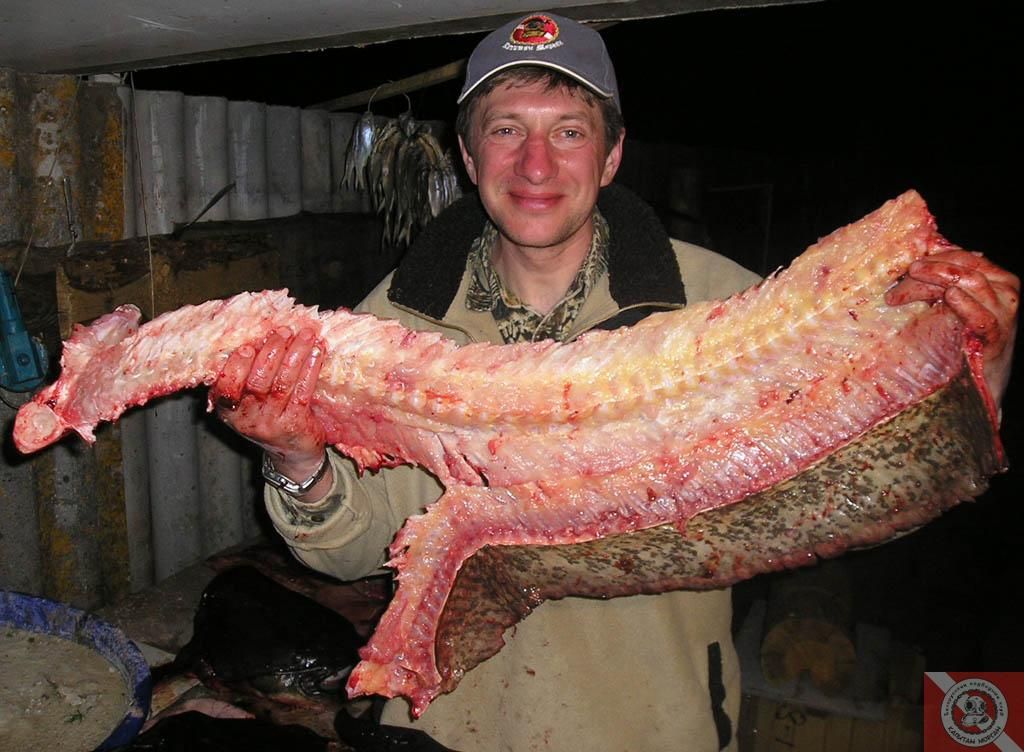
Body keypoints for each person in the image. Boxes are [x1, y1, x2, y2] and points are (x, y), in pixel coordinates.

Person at [211, 11, 1019, 751]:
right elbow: (353, 554)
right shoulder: (393, 324)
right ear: (468, 154)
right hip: (452, 727)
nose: (535, 163)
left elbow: (863, 493)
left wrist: (978, 360)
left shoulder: (725, 309)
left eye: (568, 131)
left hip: (652, 723)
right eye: (506, 130)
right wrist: (294, 458)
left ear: (612, 153)